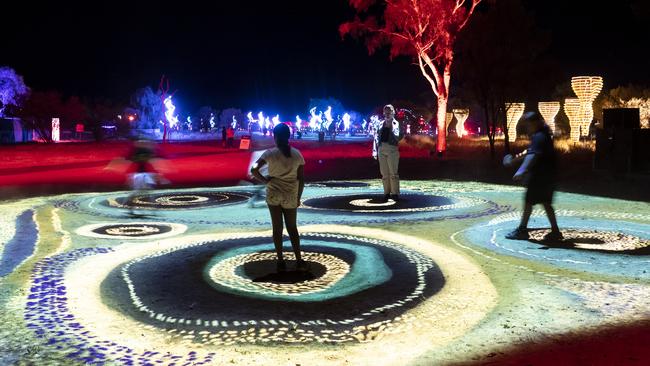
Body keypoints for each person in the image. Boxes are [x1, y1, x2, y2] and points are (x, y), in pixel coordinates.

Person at [250, 123, 306, 272]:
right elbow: (301, 179)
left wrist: (266, 180)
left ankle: (280, 261)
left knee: (277, 228)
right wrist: (298, 197)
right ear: (289, 136)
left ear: (275, 137)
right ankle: (299, 260)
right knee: (292, 228)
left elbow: (253, 169)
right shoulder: (297, 154)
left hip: (273, 194)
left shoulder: (269, 153)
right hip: (290, 195)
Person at [503, 112, 562, 241]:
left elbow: (533, 155)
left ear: (534, 123)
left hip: (539, 177)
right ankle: (556, 231)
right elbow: (530, 152)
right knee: (546, 202)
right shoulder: (543, 135)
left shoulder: (539, 136)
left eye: (528, 124)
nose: (527, 127)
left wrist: (521, 171)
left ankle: (522, 230)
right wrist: (515, 160)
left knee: (529, 202)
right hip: (548, 177)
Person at [373, 104, 403, 202]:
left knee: (393, 173)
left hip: (392, 149)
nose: (387, 113)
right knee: (384, 173)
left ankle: (395, 193)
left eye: (389, 111)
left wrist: (391, 128)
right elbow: (376, 137)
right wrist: (374, 151)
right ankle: (386, 192)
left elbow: (399, 137)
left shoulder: (396, 123)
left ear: (393, 112)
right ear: (383, 113)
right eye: (386, 111)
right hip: (381, 149)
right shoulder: (380, 123)